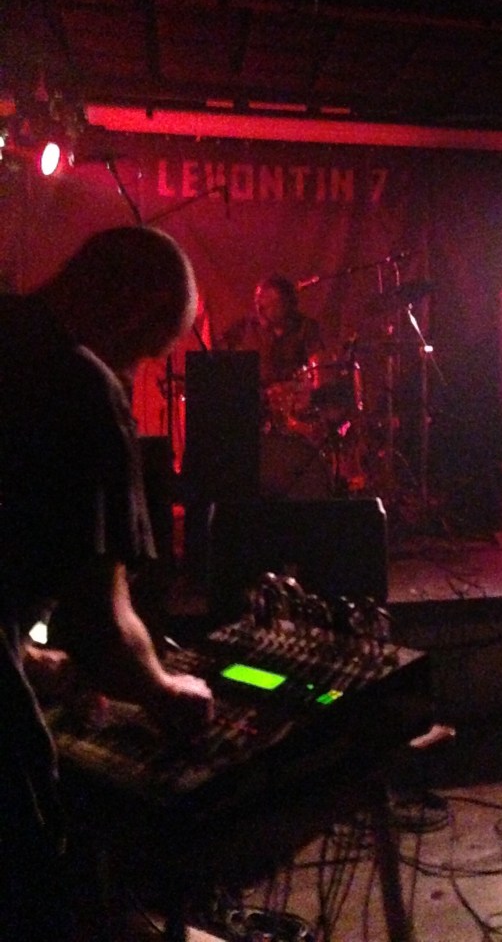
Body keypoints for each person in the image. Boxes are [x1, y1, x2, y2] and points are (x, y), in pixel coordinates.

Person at [0, 225, 215, 939]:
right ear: (134, 311)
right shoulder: (82, 385)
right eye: (150, 348)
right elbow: (101, 624)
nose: (138, 368)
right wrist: (164, 690)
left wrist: (27, 657)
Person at [222, 272, 325, 388]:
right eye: (258, 302)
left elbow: (317, 365)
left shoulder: (305, 327)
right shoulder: (246, 327)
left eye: (268, 303)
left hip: (292, 394)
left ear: (286, 304)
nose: (260, 309)